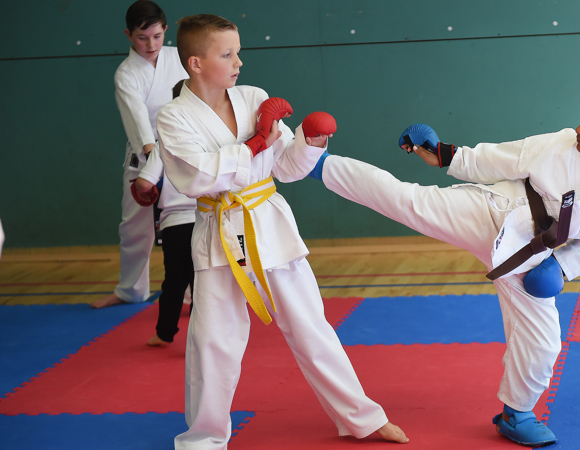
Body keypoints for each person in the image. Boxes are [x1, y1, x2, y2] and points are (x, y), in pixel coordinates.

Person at [310, 89, 580, 447]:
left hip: (529, 254)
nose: (578, 129)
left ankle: (516, 415)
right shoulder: (561, 143)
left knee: (544, 341)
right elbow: (503, 158)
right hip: (492, 212)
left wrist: (561, 267)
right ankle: (317, 164)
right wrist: (446, 154)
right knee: (407, 200)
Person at [156, 14, 408, 449]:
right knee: (212, 343)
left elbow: (286, 168)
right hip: (219, 231)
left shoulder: (254, 98)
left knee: (312, 326)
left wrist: (309, 140)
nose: (239, 62)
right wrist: (255, 143)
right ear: (195, 63)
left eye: (238, 52)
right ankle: (203, 438)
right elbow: (199, 177)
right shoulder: (174, 117)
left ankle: (362, 418)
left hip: (269, 225)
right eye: (227, 54)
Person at [93, 0, 188, 309]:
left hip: (184, 153)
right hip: (144, 157)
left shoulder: (180, 57)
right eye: (142, 37)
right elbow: (136, 119)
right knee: (134, 228)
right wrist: (152, 158)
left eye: (157, 36)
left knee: (187, 225)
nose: (151, 45)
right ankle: (131, 290)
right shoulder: (126, 74)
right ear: (128, 35)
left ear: (166, 31)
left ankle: (193, 293)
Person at [131, 80, 195, 347]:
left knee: (175, 281)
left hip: (176, 222)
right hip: (207, 217)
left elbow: (144, 183)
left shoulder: (164, 140)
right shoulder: (214, 135)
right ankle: (202, 338)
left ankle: (164, 333)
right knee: (205, 282)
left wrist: (142, 189)